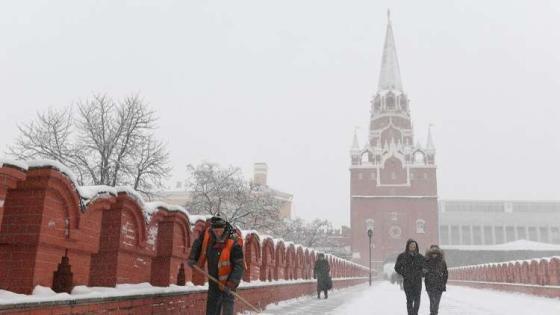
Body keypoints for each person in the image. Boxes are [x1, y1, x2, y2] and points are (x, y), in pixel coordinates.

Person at [187, 216, 245, 315]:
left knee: (227, 309)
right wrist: (192, 258)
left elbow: (239, 265)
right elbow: (197, 244)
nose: (217, 233)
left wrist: (232, 283)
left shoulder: (234, 241)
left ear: (224, 229)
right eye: (215, 231)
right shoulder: (208, 234)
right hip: (213, 279)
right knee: (212, 308)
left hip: (228, 282)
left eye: (220, 231)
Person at [394, 239, 424, 315]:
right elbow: (397, 267)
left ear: (416, 247)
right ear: (408, 246)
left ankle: (415, 313)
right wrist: (404, 273)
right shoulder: (402, 256)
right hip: (407, 281)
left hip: (417, 281)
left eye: (414, 246)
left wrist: (420, 274)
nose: (412, 247)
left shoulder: (420, 257)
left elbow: (426, 268)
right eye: (411, 246)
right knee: (409, 299)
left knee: (417, 299)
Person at [424, 245, 448, 315]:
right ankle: (432, 313)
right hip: (429, 284)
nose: (434, 254)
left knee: (436, 302)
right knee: (432, 301)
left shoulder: (442, 261)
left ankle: (434, 313)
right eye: (433, 253)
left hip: (439, 285)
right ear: (430, 253)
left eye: (436, 253)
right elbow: (423, 273)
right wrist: (425, 272)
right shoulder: (426, 261)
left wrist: (444, 282)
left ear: (438, 253)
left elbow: (445, 273)